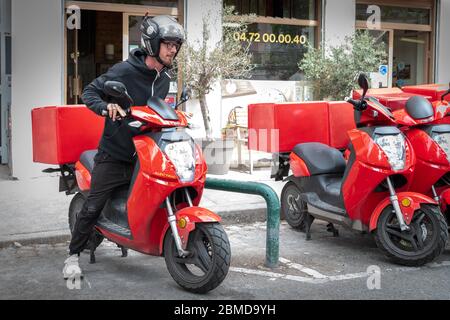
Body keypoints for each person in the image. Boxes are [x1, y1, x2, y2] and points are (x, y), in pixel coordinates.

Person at [63, 15, 185, 280]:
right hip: (115, 153)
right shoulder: (124, 71)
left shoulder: (164, 77)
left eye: (176, 44)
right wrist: (106, 107)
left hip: (147, 152)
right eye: (168, 43)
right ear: (153, 43)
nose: (173, 49)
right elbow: (89, 93)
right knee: (93, 206)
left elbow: (156, 111)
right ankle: (72, 255)